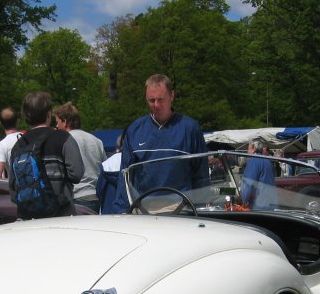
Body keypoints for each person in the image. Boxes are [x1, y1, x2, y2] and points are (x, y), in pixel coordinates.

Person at [109, 74, 208, 214]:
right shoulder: (135, 130)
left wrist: (201, 209)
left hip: (181, 208)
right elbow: (125, 176)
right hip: (143, 209)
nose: (156, 105)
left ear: (171, 96)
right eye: (151, 100)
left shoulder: (190, 129)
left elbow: (201, 175)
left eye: (161, 100)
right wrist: (121, 211)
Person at [8, 91, 84, 218]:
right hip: (61, 214)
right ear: (48, 114)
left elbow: (12, 189)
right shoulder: (63, 138)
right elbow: (77, 173)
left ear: (26, 116)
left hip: (29, 217)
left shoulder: (19, 145)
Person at [54, 102, 107, 213]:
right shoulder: (96, 140)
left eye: (57, 122)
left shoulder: (64, 141)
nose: (56, 126)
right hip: (96, 196)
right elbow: (104, 169)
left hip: (77, 196)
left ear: (65, 122)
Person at [240, 139, 276, 209]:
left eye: (248, 149)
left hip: (258, 203)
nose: (247, 152)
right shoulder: (268, 161)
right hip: (270, 201)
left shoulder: (253, 161)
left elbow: (249, 184)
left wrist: (243, 201)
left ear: (253, 149)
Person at [0, 107, 22, 179]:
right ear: (17, 122)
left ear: (1, 124)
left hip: (15, 187)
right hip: (34, 186)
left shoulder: (1, 145)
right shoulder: (28, 138)